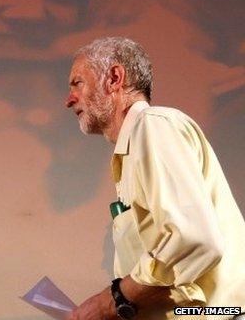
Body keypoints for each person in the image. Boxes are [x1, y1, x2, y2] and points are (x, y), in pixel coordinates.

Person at [64, 37, 245, 320]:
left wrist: (109, 303)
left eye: (78, 84)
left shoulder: (152, 126)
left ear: (114, 78)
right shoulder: (136, 145)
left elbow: (193, 239)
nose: (69, 99)